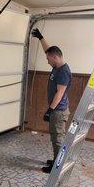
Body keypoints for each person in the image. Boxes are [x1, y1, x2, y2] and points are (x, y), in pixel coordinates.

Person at [32, 28, 72, 173]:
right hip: (58, 110)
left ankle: (58, 165)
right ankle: (57, 159)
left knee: (57, 139)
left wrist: (50, 110)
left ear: (55, 57)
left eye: (48, 59)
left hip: (58, 111)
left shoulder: (63, 72)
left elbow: (60, 93)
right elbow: (48, 50)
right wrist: (41, 37)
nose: (47, 61)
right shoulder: (57, 65)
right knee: (56, 137)